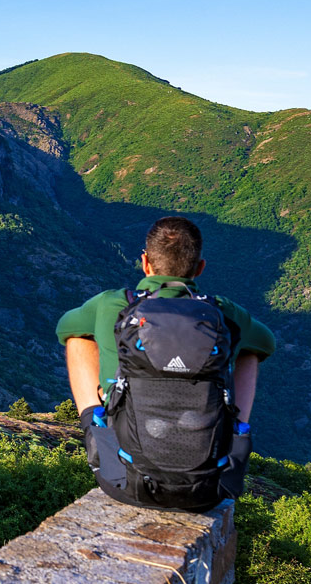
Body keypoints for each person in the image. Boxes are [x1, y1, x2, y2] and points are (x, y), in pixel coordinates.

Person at [55, 216, 276, 510]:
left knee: (78, 338)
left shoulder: (112, 304)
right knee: (248, 349)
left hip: (124, 482)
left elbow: (64, 329)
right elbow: (266, 344)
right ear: (199, 268)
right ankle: (238, 433)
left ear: (145, 263)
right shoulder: (224, 312)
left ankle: (95, 431)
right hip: (209, 488)